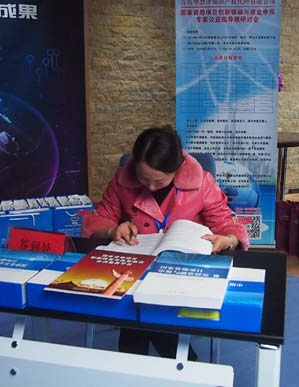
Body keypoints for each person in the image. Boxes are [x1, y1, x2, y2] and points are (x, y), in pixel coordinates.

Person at [81, 125, 249, 359]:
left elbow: (225, 221)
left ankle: (133, 364)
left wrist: (228, 239)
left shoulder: (201, 183)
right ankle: (185, 365)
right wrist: (112, 230)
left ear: (177, 169)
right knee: (141, 303)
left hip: (184, 266)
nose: (149, 187)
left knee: (141, 309)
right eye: (142, 178)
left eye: (158, 182)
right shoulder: (121, 180)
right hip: (136, 263)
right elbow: (101, 217)